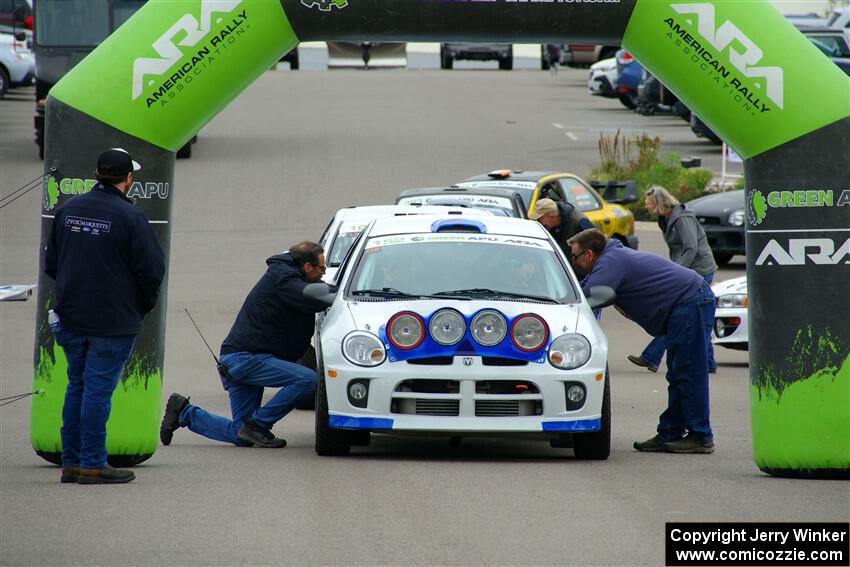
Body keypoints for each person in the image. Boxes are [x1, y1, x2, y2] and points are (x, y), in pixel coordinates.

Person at [45, 148, 166, 484]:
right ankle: (94, 464)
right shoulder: (131, 217)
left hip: (70, 315)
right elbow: (152, 270)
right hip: (111, 321)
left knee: (77, 386)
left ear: (97, 174)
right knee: (97, 390)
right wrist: (142, 305)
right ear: (128, 179)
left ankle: (71, 461)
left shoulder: (68, 209)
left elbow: (51, 264)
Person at [160, 241, 329, 449]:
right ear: (307, 267)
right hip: (246, 359)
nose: (324, 274)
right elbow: (309, 296)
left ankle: (184, 412)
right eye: (322, 268)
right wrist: (341, 293)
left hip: (240, 359)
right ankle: (258, 424)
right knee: (306, 379)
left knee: (241, 435)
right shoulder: (284, 279)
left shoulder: (287, 276)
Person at [567, 228, 716, 454]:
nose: (573, 261)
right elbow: (582, 286)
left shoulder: (611, 262)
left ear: (589, 254)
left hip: (690, 302)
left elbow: (585, 297)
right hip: (687, 302)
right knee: (678, 373)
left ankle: (701, 436)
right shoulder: (610, 259)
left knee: (688, 372)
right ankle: (670, 433)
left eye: (575, 256)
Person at [629, 186, 717, 374]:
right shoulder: (666, 219)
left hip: (699, 270)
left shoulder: (682, 218)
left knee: (675, 314)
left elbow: (691, 247)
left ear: (660, 203)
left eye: (649, 203)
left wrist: (676, 271)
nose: (647, 207)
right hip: (688, 271)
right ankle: (708, 363)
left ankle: (651, 357)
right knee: (699, 318)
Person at [530, 197, 595, 259]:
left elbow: (597, 247)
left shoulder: (579, 222)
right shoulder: (549, 227)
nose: (538, 222)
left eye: (539, 219)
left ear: (551, 216)